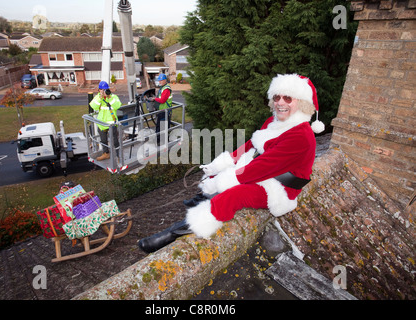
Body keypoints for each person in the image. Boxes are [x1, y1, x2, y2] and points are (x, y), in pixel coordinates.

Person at [138, 73, 325, 253]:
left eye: (288, 98)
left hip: (278, 188)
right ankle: (203, 197)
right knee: (215, 175)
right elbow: (251, 145)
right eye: (277, 97)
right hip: (262, 172)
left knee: (232, 196)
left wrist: (222, 180)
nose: (280, 103)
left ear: (302, 104)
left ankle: (172, 233)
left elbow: (262, 167)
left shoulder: (301, 136)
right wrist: (219, 165)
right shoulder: (273, 121)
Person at [89, 80, 122, 161]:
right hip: (101, 123)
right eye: (101, 90)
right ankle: (106, 153)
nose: (103, 92)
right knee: (103, 140)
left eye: (105, 90)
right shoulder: (97, 97)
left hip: (111, 122)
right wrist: (100, 98)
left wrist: (109, 98)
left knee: (115, 140)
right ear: (99, 90)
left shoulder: (113, 97)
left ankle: (118, 156)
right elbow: (94, 106)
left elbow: (117, 106)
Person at [149, 74, 173, 145]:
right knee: (159, 126)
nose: (160, 82)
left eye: (161, 80)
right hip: (161, 110)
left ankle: (163, 143)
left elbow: (162, 100)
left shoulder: (166, 89)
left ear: (165, 80)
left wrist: (154, 99)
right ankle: (159, 141)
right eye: (159, 80)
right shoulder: (162, 87)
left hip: (165, 111)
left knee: (163, 127)